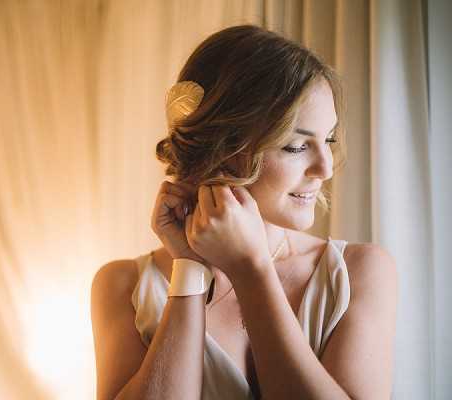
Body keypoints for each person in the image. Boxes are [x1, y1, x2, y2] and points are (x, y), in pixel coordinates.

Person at [91, 24, 397, 400]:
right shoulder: (123, 285)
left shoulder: (359, 272)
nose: (326, 168)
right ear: (222, 149)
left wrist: (252, 270)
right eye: (297, 146)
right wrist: (188, 268)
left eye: (328, 140)